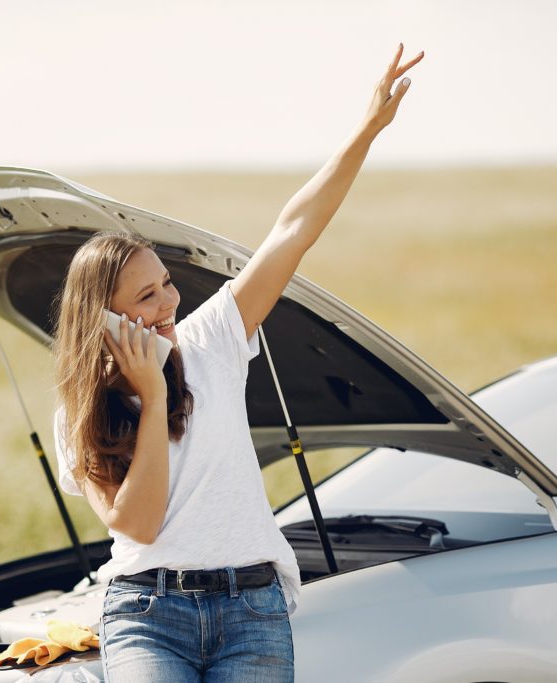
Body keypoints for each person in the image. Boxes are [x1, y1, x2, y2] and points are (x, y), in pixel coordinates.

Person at [51, 43, 424, 683]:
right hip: (146, 612)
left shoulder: (212, 340)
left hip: (252, 610)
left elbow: (293, 229)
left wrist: (367, 129)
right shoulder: (80, 412)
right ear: (103, 318)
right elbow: (137, 523)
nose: (170, 301)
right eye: (146, 296)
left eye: (167, 283)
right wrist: (154, 396)